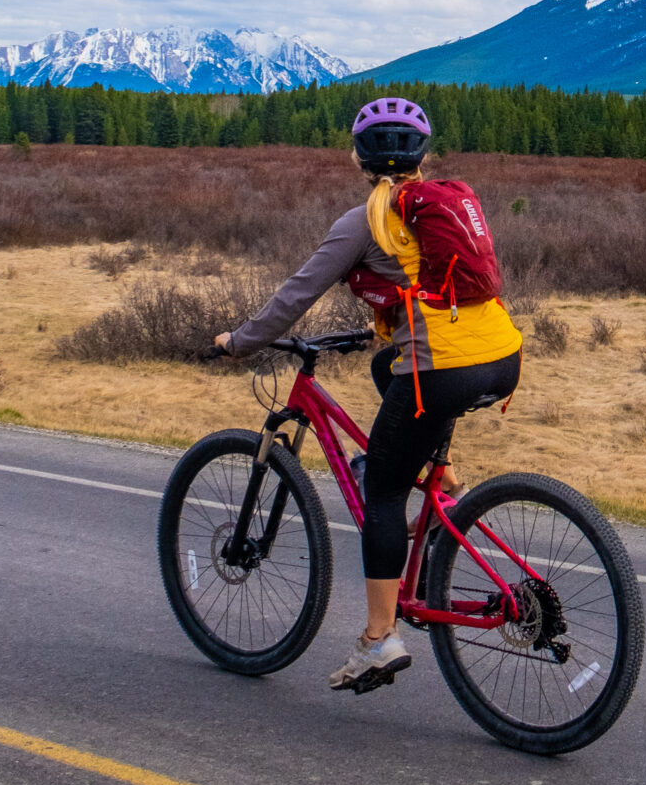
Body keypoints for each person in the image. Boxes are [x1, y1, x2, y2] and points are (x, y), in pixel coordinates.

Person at [214, 97, 522, 693]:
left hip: (441, 368)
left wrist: (242, 342)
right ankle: (443, 484)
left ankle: (379, 638)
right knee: (391, 368)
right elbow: (430, 289)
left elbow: (294, 297)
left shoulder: (363, 222)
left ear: (357, 157)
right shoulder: (440, 205)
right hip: (501, 356)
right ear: (424, 156)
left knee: (380, 490)